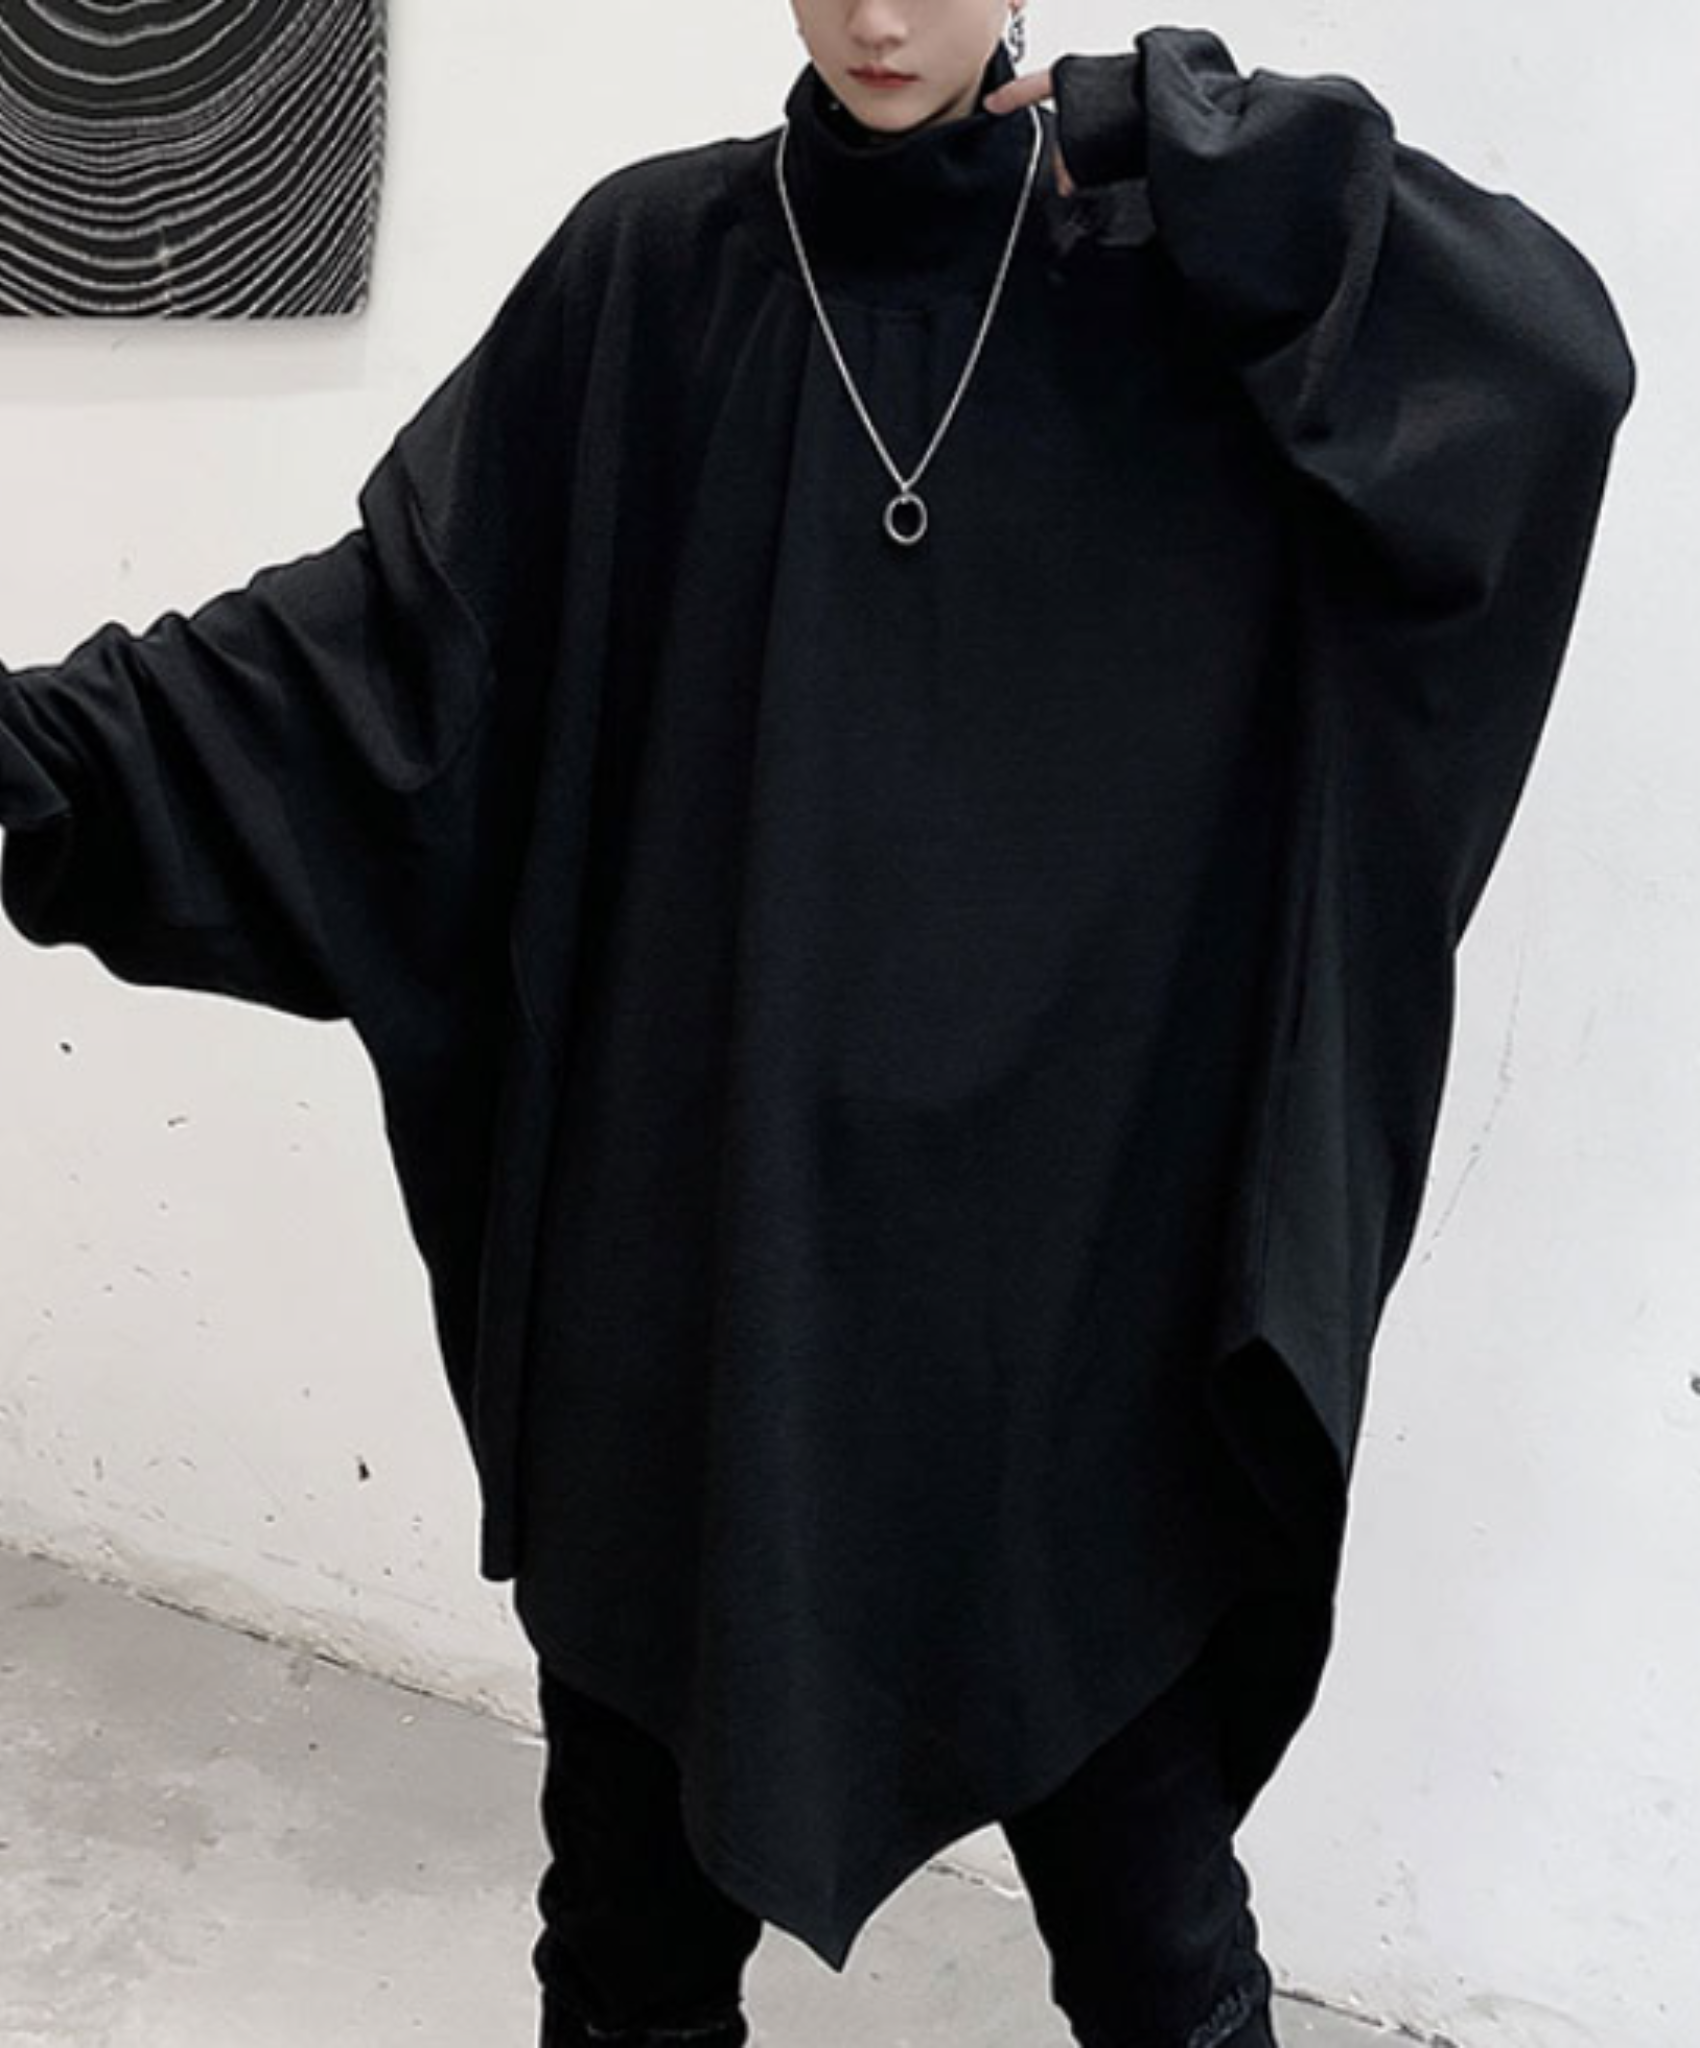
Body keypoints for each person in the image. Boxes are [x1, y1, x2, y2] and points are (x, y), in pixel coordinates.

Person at [0, 5, 1635, 2046]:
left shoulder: (1163, 278)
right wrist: (43, 748)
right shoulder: (651, 276)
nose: (875, 15)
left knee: (1161, 1959)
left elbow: (1542, 374)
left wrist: (1209, 148)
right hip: (707, 1310)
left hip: (1055, 1344)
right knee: (630, 1954)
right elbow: (379, 659)